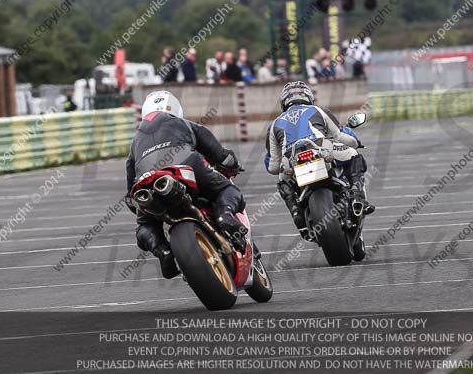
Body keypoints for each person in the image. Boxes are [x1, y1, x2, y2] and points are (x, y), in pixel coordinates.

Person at [125, 90, 246, 279]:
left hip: (147, 181)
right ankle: (224, 215)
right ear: (175, 108)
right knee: (227, 189)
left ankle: (163, 251)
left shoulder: (135, 142)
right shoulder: (183, 123)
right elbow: (220, 154)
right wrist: (233, 164)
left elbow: (130, 194)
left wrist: (142, 208)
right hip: (187, 164)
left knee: (144, 226)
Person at [265, 81, 374, 237]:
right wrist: (355, 143)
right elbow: (338, 136)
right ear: (308, 97)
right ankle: (358, 197)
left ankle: (296, 213)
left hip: (292, 160)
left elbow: (273, 166)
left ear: (284, 102)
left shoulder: (274, 124)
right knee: (354, 154)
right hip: (321, 150)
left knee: (282, 180)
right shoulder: (317, 110)